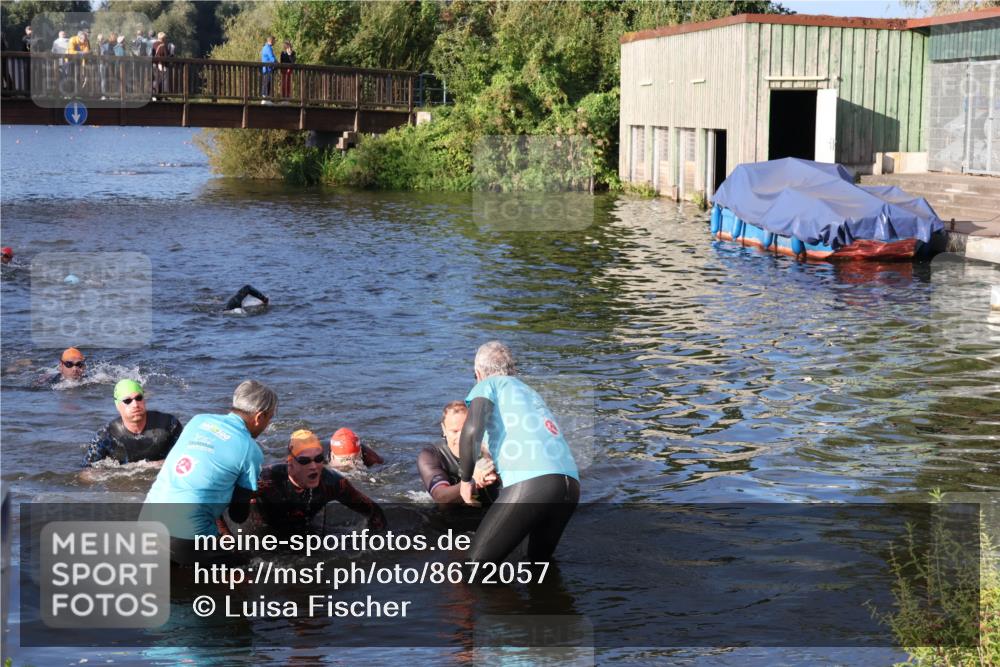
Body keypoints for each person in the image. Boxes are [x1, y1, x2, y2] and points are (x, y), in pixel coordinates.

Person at [458, 341, 580, 563]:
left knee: (475, 569)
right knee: (535, 567)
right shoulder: (529, 393)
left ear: (478, 373)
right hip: (570, 486)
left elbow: (472, 429)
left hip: (534, 483)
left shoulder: (488, 385)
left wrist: (465, 479)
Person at [143, 380, 276, 564]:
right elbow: (238, 515)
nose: (267, 425)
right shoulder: (250, 450)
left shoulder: (199, 420)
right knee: (249, 569)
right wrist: (251, 492)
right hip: (187, 536)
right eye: (270, 418)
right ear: (259, 416)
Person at [251, 429, 386, 535]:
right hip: (264, 534)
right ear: (290, 464)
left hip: (307, 532)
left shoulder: (333, 482)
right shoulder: (268, 480)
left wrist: (377, 544)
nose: (313, 466)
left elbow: (373, 511)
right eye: (305, 461)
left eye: (318, 459)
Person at [417, 401, 499, 508]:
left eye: (466, 430)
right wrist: (473, 480)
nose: (462, 438)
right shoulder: (430, 455)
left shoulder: (492, 449)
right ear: (444, 429)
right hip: (452, 514)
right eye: (455, 431)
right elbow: (440, 497)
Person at [83, 379, 183, 466]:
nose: (135, 404)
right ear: (118, 406)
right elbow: (87, 473)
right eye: (127, 401)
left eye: (139, 398)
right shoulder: (106, 436)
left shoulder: (169, 424)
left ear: (144, 400)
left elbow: (188, 456)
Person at [260, 36, 275, 102]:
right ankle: (265, 99)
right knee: (267, 83)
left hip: (265, 69)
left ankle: (265, 98)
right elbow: (272, 58)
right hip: (268, 69)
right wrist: (277, 63)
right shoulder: (268, 48)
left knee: (266, 83)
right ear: (271, 41)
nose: (275, 42)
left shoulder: (264, 47)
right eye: (274, 40)